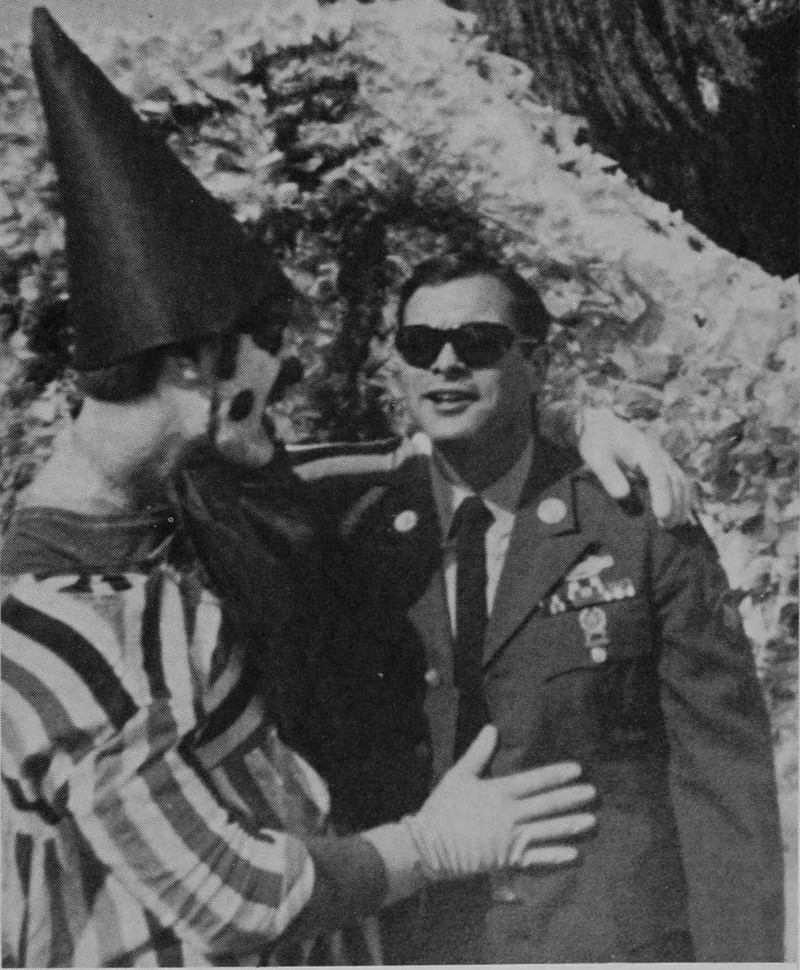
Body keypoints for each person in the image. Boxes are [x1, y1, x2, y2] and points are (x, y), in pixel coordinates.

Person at [0, 12, 599, 966]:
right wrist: (433, 846)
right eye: (269, 340)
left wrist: (585, 434)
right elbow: (236, 901)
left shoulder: (197, 500)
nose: (289, 368)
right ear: (194, 362)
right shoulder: (58, 632)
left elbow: (416, 462)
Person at [292, 252, 785, 963]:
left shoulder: (636, 529)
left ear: (536, 361)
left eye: (479, 342)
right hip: (420, 943)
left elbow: (724, 788)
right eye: (421, 344)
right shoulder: (353, 526)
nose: (447, 363)